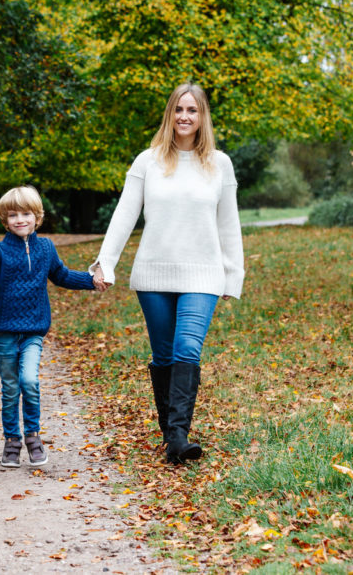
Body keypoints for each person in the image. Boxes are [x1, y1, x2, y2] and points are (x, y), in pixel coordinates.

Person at [91, 82, 244, 464]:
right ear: (170, 114)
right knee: (162, 357)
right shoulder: (149, 161)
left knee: (187, 349)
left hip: (203, 274)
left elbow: (229, 225)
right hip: (154, 273)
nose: (185, 117)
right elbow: (125, 214)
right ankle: (170, 435)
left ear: (202, 116)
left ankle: (178, 437)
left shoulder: (219, 164)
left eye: (192, 110)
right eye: (178, 109)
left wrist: (232, 274)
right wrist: (105, 263)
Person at [0, 186, 96, 468]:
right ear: (5, 220)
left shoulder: (46, 248)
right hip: (4, 330)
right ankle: (11, 442)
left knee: (29, 380)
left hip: (33, 330)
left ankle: (33, 437)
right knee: (11, 387)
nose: (20, 220)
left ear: (37, 217)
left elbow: (61, 275)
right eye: (13, 215)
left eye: (26, 213)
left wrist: (91, 280)